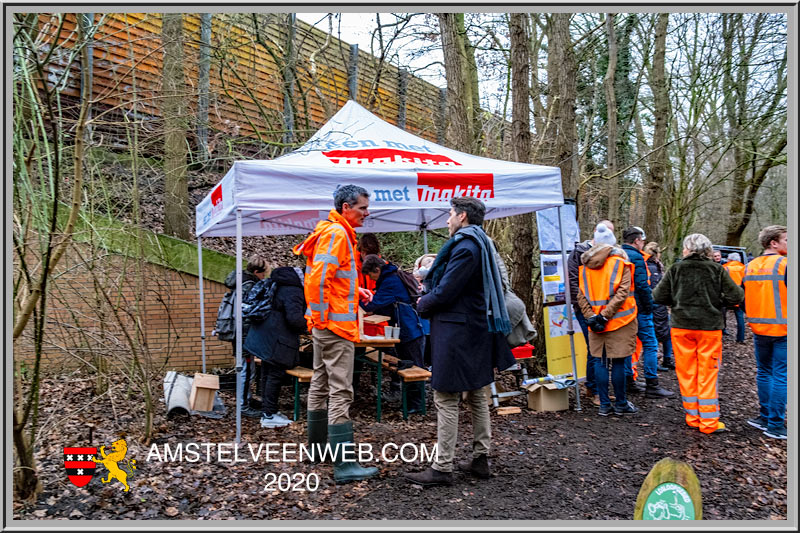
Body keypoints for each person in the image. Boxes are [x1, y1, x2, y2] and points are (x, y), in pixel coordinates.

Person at [404, 196, 515, 487]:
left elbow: (447, 292)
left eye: (451, 214)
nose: (448, 219)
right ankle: (480, 458)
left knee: (446, 396)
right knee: (477, 393)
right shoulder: (480, 243)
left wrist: (421, 302)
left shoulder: (465, 247)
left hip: (458, 332)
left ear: (463, 216)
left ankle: (442, 467)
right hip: (474, 329)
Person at [293, 184, 378, 483]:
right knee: (341, 390)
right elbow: (316, 281)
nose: (367, 214)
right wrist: (322, 318)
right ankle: (344, 465)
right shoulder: (337, 234)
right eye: (362, 208)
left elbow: (333, 280)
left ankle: (318, 451)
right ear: (346, 207)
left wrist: (358, 291)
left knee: (320, 382)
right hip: (335, 327)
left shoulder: (331, 231)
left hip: (326, 325)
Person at [652, 233, 744, 435]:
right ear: (707, 250)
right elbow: (736, 295)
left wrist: (676, 302)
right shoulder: (716, 269)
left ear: (688, 249)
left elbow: (658, 296)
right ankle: (709, 422)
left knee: (686, 372)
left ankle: (692, 417)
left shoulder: (676, 268)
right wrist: (718, 300)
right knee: (708, 373)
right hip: (709, 328)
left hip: (681, 327)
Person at [577, 224, 639, 416]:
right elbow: (623, 294)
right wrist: (605, 316)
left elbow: (581, 295)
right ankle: (620, 403)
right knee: (619, 362)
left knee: (601, 362)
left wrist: (591, 317)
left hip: (596, 323)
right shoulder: (621, 264)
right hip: (621, 321)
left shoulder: (586, 266)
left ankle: (604, 404)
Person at [360, 254, 426, 413]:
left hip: (410, 329)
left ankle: (416, 405)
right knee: (407, 363)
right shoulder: (390, 278)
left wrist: (355, 297)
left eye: (371, 275)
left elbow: (373, 305)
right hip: (406, 328)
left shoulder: (390, 281)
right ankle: (410, 401)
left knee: (414, 366)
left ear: (377, 269)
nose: (371, 278)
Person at [243, 266, 307, 428]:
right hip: (277, 339)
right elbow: (294, 319)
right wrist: (310, 326)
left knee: (267, 373)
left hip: (263, 336)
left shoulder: (277, 283)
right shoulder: (294, 291)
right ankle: (269, 415)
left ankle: (268, 411)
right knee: (275, 375)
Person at [743, 225, 787, 440]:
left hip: (759, 328)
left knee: (764, 372)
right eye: (787, 240)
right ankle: (776, 425)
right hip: (784, 329)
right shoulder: (785, 264)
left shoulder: (750, 266)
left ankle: (764, 417)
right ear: (774, 243)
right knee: (781, 376)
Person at [620, 227, 674, 398]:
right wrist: (651, 305)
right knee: (650, 345)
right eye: (642, 240)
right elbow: (643, 286)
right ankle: (652, 383)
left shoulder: (618, 255)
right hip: (640, 309)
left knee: (629, 346)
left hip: (625, 309)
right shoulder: (637, 257)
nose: (643, 243)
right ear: (637, 241)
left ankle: (629, 381)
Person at [567, 220, 615, 406]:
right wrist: (586, 310)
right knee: (595, 349)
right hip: (586, 309)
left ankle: (595, 388)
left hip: (606, 310)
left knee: (600, 350)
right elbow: (573, 283)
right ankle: (594, 390)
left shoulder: (611, 254)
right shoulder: (578, 254)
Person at [223, 256, 268, 417]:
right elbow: (250, 312)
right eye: (263, 273)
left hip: (239, 332)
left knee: (247, 369)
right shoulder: (249, 286)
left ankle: (247, 399)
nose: (264, 276)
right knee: (246, 370)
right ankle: (243, 405)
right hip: (244, 334)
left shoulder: (240, 282)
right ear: (256, 272)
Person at [643, 242, 675, 371]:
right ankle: (660, 361)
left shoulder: (650, 266)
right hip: (656, 304)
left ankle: (665, 359)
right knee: (660, 333)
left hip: (657, 304)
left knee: (663, 332)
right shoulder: (653, 268)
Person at [721, 252, 747, 344]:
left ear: (730, 259)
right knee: (740, 317)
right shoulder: (744, 269)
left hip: (727, 296)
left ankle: (722, 332)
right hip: (740, 296)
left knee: (722, 315)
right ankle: (740, 337)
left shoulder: (724, 268)